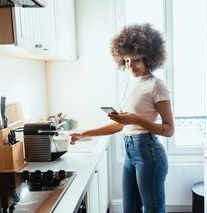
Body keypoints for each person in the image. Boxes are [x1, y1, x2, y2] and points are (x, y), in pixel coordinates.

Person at [70, 23, 174, 213]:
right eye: (126, 60)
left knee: (153, 210)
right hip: (130, 152)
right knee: (130, 209)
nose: (130, 65)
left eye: (135, 60)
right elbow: (119, 125)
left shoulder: (157, 85)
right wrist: (84, 133)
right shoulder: (129, 85)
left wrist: (137, 120)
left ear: (148, 57)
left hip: (149, 152)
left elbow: (169, 130)